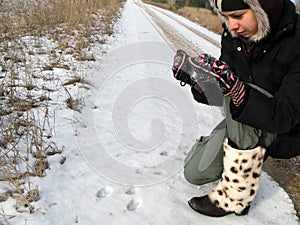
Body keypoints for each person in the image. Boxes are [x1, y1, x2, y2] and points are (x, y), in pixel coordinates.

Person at [172, 0, 300, 217]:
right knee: (195, 172)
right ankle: (225, 144)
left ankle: (235, 199)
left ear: (264, 8)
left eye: (238, 16)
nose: (231, 26)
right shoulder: (233, 36)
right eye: (226, 17)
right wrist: (200, 82)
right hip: (244, 119)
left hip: (286, 132)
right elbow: (223, 91)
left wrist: (237, 90)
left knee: (240, 93)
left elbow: (286, 115)